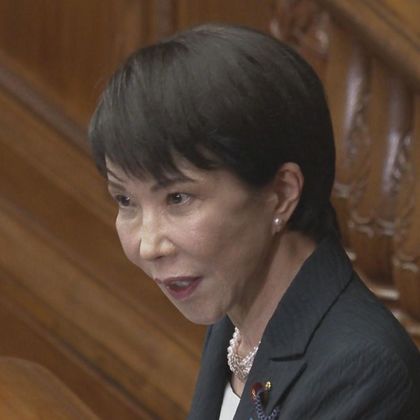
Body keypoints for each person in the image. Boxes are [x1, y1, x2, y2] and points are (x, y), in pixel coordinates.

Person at [88, 23, 420, 420]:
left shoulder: (364, 371)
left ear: (281, 193)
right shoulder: (235, 312)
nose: (148, 245)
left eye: (177, 198)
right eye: (125, 200)